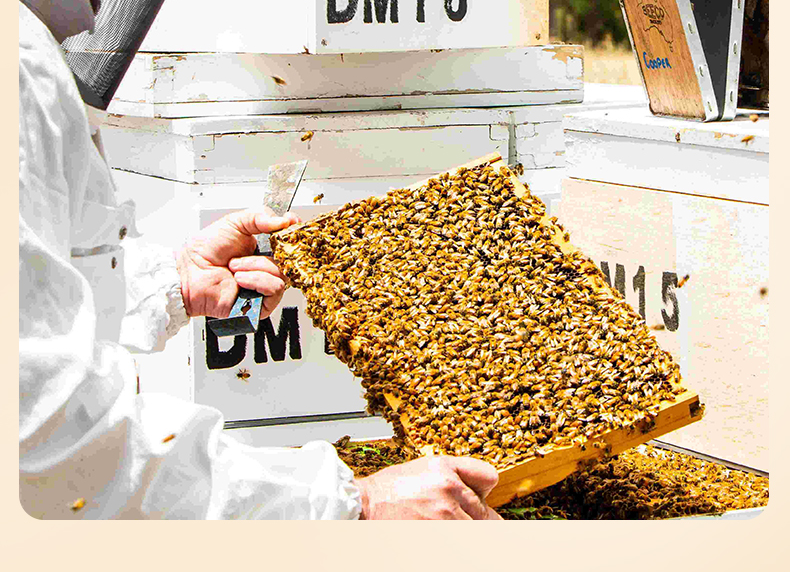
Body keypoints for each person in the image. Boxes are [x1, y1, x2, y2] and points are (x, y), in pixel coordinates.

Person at [18, 0, 503, 520]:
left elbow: (36, 293)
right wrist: (357, 503)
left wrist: (175, 283)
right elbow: (51, 442)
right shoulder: (20, 68)